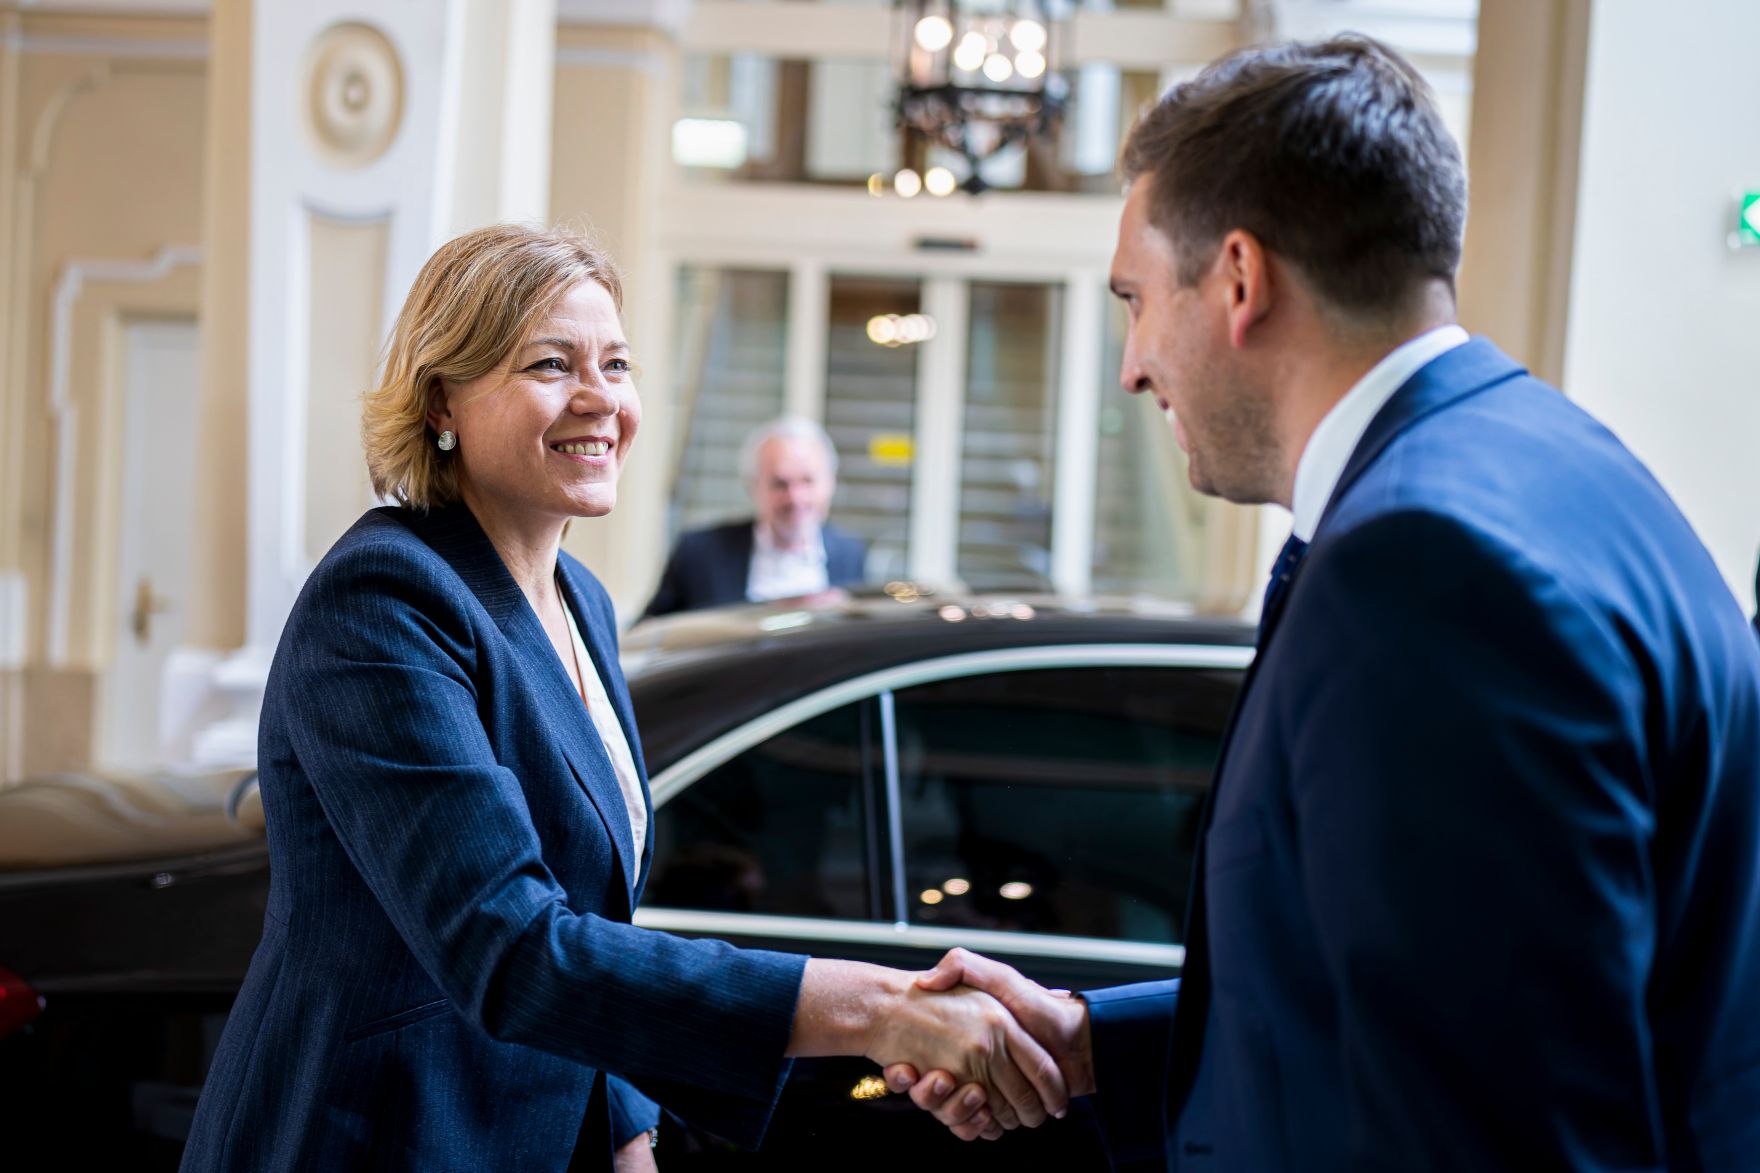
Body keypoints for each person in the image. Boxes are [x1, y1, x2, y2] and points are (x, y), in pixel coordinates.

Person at [887, 35, 1760, 1171]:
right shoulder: (1563, 462)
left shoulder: (1425, 567)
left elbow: (1489, 1129)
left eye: (1136, 302)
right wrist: (1094, 1042)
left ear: (1239, 281)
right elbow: (1406, 995)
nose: (1131, 364)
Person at [179, 225, 1068, 1172]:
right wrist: (881, 1011)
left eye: (617, 362)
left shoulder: (582, 603)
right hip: (381, 1132)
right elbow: (511, 943)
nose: (601, 398)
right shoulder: (385, 598)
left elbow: (596, 921)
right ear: (444, 399)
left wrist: (628, 1128)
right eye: (552, 364)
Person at [641, 417, 866, 618]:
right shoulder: (699, 553)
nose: (796, 497)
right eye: (780, 484)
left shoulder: (850, 555)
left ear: (831, 483)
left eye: (808, 481)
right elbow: (648, 635)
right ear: (753, 487)